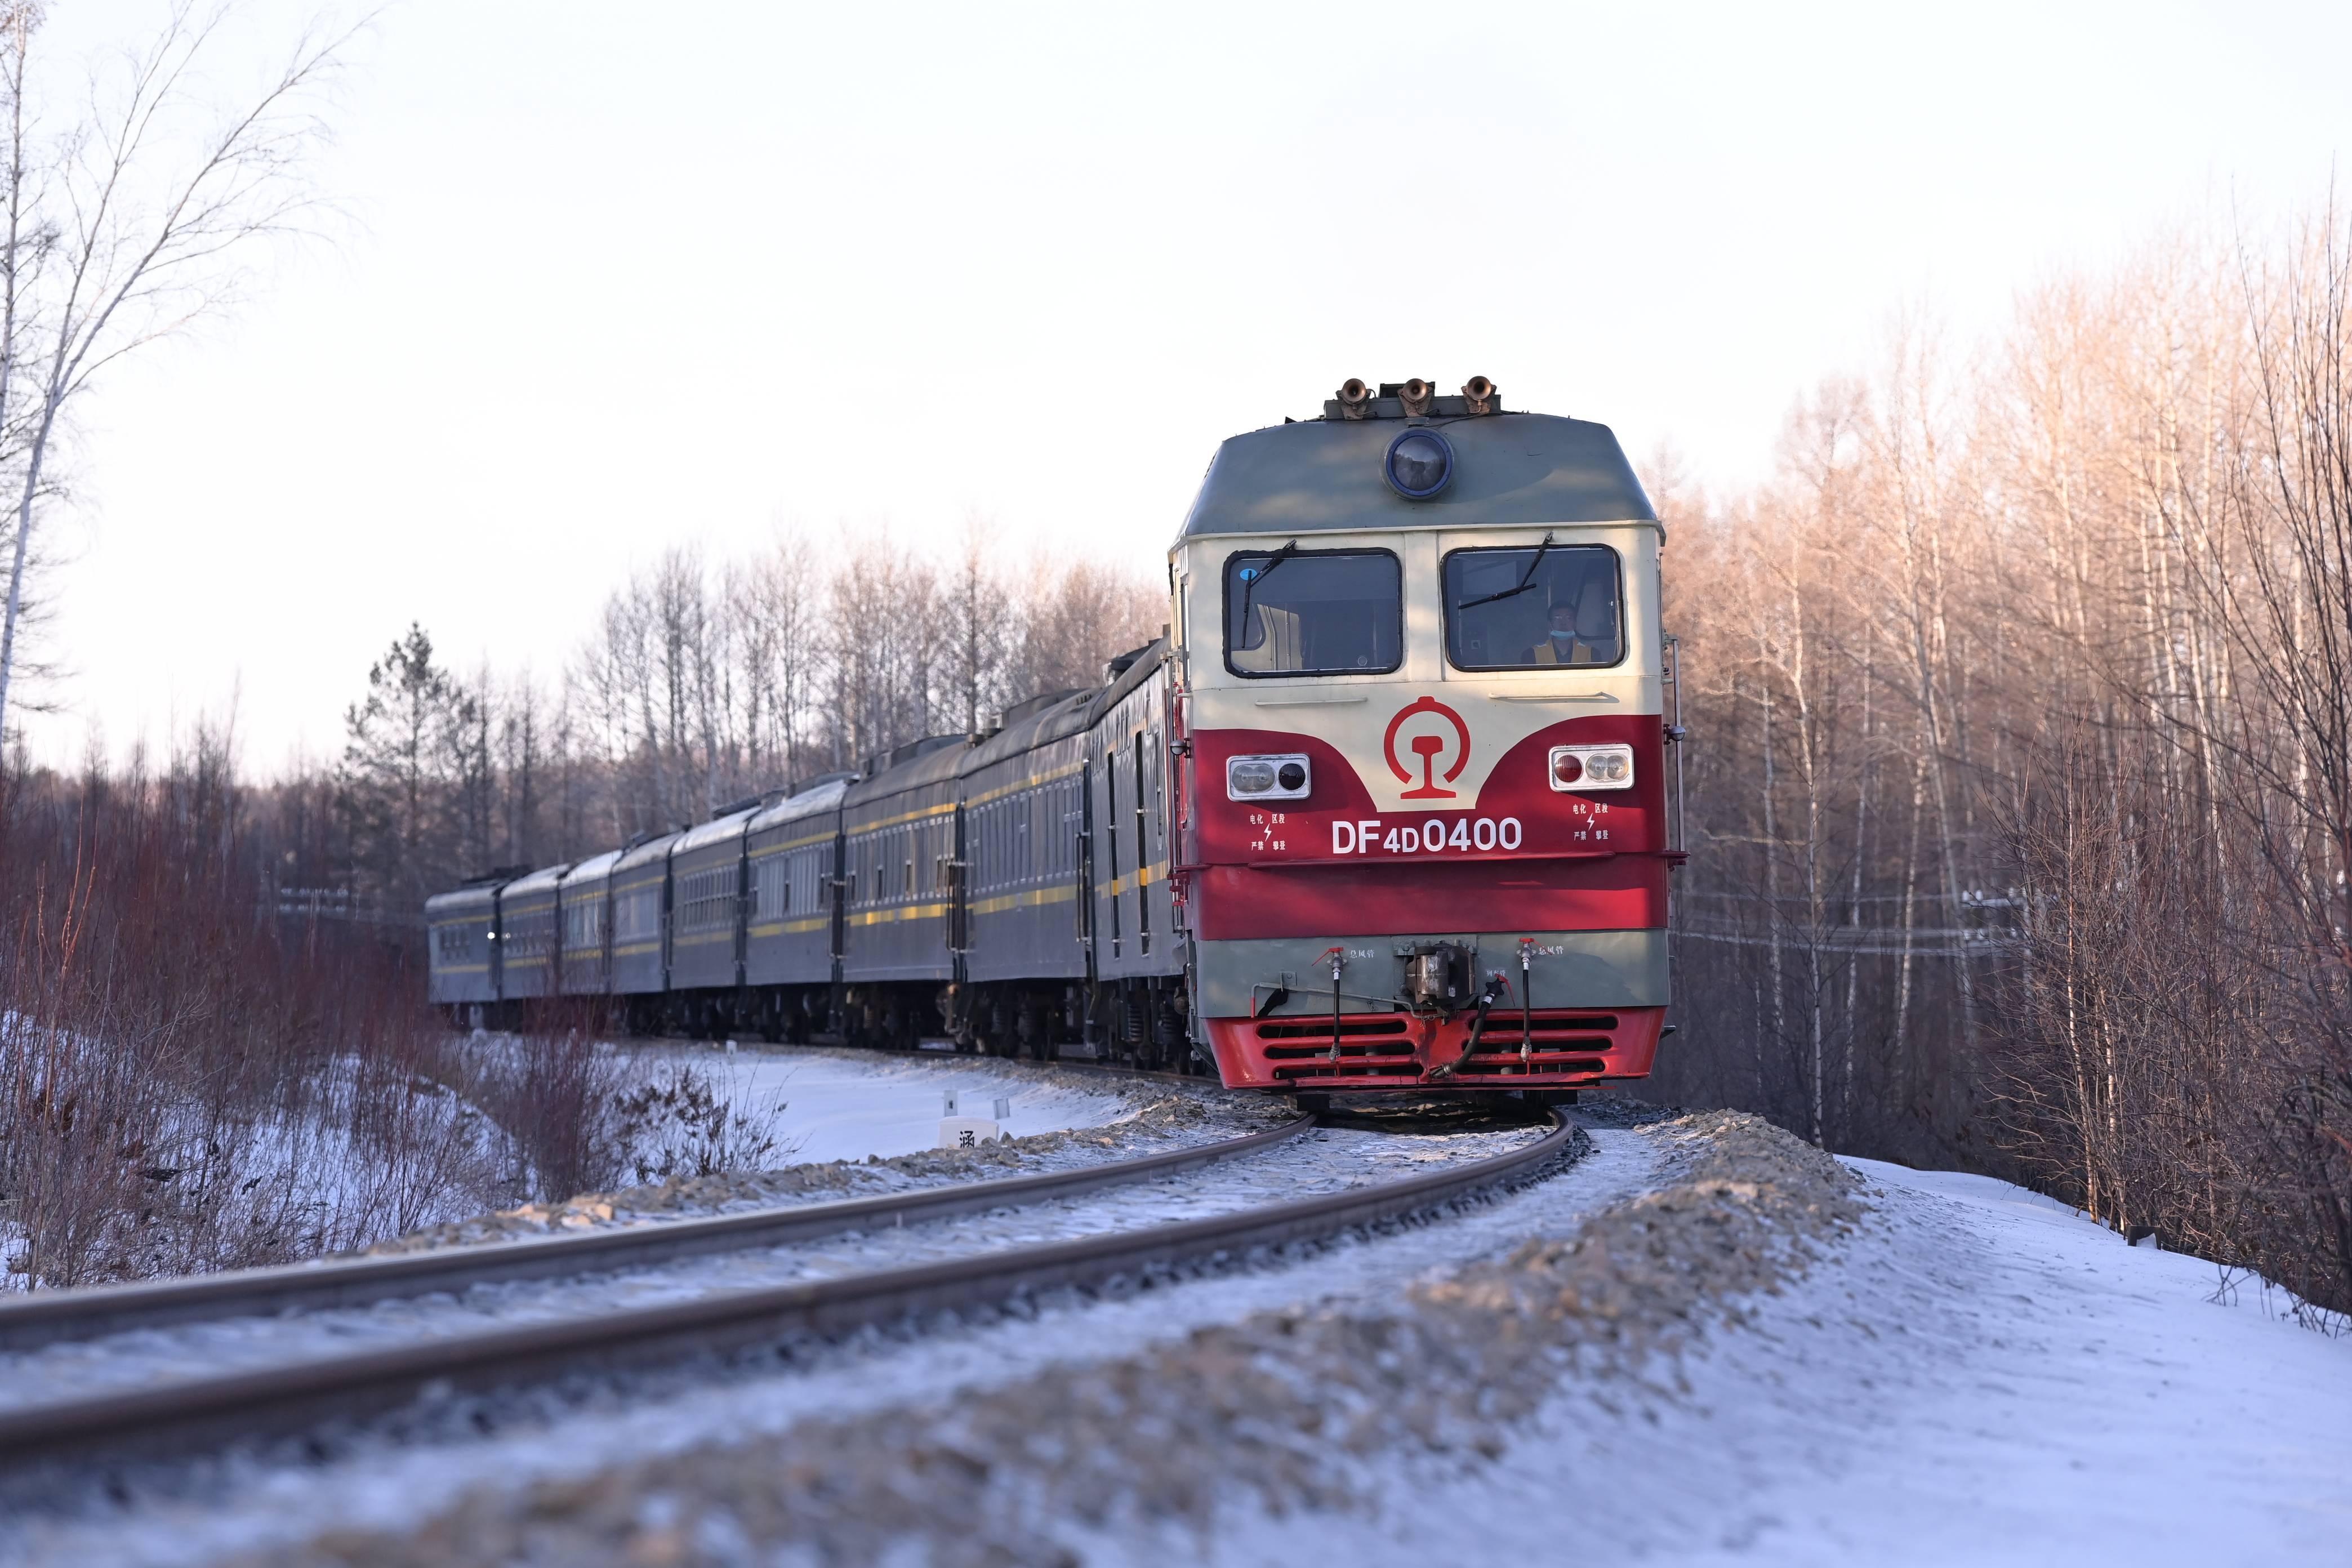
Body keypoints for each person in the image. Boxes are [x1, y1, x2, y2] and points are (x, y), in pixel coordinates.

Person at [1530, 578, 1619, 665]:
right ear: (1550, 624)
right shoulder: (1533, 654)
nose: (1563, 623)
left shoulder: (1592, 653)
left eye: (1568, 618)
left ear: (1575, 623)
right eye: (1558, 618)